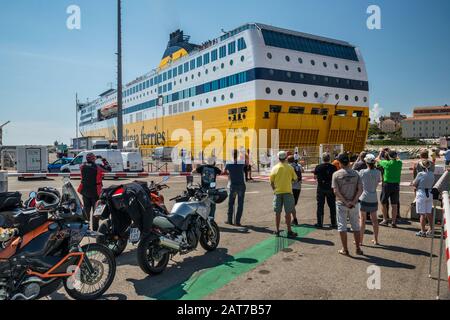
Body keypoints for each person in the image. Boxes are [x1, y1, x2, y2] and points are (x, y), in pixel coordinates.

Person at [332, 153, 363, 256]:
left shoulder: (336, 174)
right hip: (354, 204)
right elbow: (360, 189)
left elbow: (336, 191)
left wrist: (345, 202)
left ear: (340, 163)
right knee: (356, 226)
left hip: (342, 204)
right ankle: (358, 248)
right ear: (349, 162)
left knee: (342, 227)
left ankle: (345, 249)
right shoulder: (356, 173)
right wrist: (353, 201)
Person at [78, 153, 111, 231]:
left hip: (84, 190)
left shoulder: (82, 166)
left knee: (86, 209)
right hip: (95, 191)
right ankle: (95, 229)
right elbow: (109, 169)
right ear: (93, 159)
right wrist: (103, 160)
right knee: (96, 210)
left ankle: (86, 228)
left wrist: (94, 159)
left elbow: (88, 165)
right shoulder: (98, 166)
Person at [270, 151, 298, 238]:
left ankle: (277, 230)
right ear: (285, 158)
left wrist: (274, 190)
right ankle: (289, 230)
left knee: (277, 213)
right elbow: (295, 179)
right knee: (288, 212)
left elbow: (271, 182)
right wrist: (290, 181)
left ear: (278, 158)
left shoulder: (275, 168)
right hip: (288, 192)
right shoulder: (290, 168)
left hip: (278, 193)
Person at [358, 154, 381, 245]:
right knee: (374, 220)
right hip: (373, 197)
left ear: (366, 163)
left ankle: (360, 240)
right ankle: (376, 239)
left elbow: (358, 181)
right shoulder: (378, 172)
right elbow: (378, 181)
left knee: (362, 220)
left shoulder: (363, 172)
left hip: (364, 197)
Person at [377, 150, 403, 228]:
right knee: (394, 204)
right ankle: (393, 222)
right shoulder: (399, 163)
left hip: (387, 184)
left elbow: (377, 159)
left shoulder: (386, 163)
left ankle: (385, 220)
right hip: (396, 185)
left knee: (383, 202)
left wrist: (380, 153)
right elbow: (398, 158)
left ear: (388, 156)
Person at [314, 153, 337, 228]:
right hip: (330, 187)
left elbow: (315, 177)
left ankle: (320, 223)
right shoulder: (333, 167)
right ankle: (333, 222)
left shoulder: (318, 167)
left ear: (322, 159)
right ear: (329, 158)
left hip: (321, 188)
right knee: (332, 205)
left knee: (320, 205)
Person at [412, 159, 435, 237]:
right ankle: (431, 230)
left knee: (422, 214)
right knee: (429, 212)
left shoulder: (420, 174)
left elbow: (414, 183)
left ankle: (422, 231)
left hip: (421, 193)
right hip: (429, 192)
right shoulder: (432, 174)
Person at [224, 150, 246, 226]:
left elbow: (225, 171)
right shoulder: (241, 163)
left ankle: (229, 220)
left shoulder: (229, 163)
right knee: (240, 203)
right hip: (241, 185)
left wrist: (230, 173)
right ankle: (237, 221)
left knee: (231, 203)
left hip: (233, 185)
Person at [288, 155, 303, 226]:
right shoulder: (298, 165)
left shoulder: (289, 166)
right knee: (294, 203)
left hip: (291, 187)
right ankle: (294, 219)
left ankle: (294, 219)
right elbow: (302, 170)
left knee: (290, 204)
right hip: (298, 187)